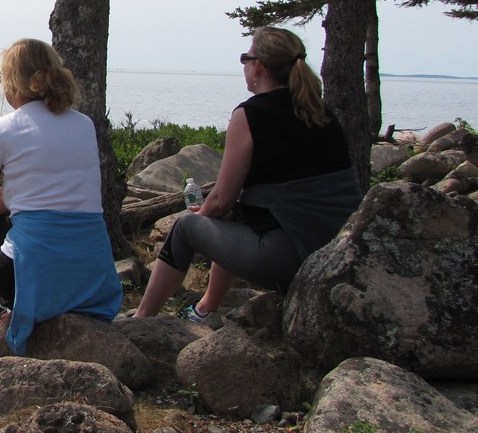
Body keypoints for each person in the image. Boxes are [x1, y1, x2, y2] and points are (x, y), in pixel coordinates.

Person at [133, 26, 362, 322]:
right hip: (341, 255)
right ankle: (205, 308)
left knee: (186, 228)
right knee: (232, 220)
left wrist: (201, 220)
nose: (244, 65)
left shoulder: (251, 114)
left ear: (259, 67)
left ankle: (142, 320)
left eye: (246, 58)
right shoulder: (322, 113)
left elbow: (221, 200)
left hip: (291, 260)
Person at [0, 38, 123, 358]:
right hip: (88, 277)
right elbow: (48, 196)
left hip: (28, 277)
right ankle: (0, 315)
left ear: (12, 82)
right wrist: (5, 196)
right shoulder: (84, 125)